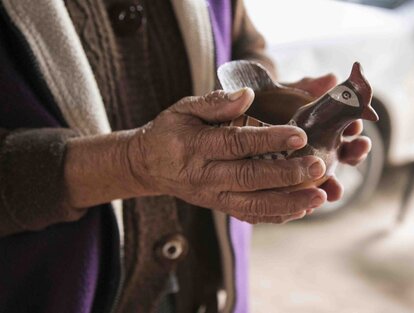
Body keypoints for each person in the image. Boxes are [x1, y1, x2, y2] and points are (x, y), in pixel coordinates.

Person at [0, 0, 371, 312]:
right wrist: (131, 164)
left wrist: (269, 97)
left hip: (203, 292)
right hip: (58, 291)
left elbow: (240, 39)